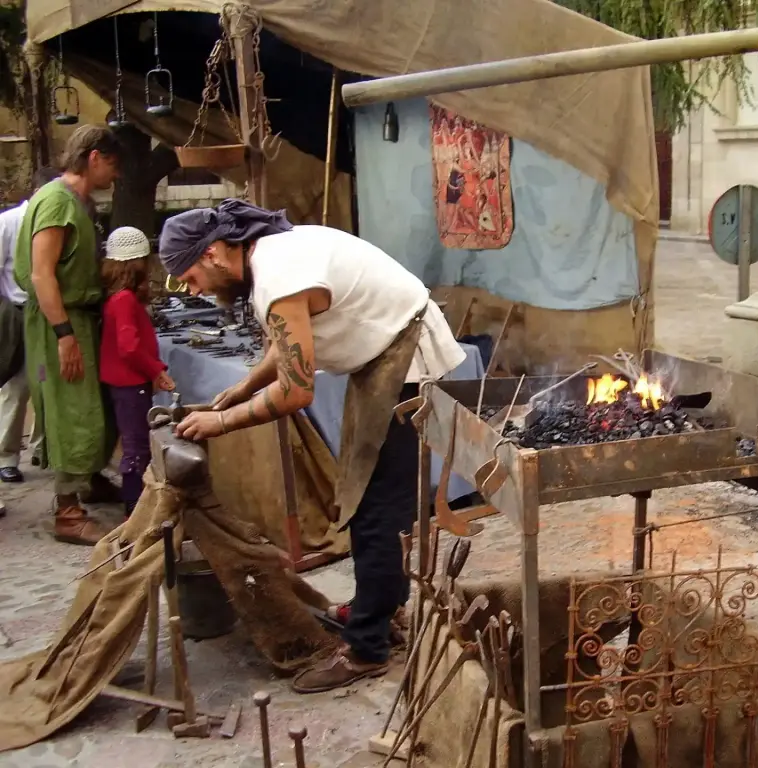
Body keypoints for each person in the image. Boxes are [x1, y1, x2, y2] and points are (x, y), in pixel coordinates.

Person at [158, 198, 466, 690]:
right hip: (384, 361)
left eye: (189, 277)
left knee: (376, 510)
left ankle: (368, 647)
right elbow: (284, 346)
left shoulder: (278, 276)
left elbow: (297, 391)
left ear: (214, 252)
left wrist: (225, 423)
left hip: (408, 364)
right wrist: (241, 389)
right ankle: (378, 607)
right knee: (368, 504)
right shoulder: (272, 261)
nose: (191, 290)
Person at [13, 124, 121, 545]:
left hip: (80, 315)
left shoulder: (78, 201)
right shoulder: (56, 202)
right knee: (72, 409)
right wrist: (64, 334)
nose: (115, 176)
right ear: (94, 158)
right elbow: (42, 274)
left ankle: (88, 480)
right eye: (112, 165)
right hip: (61, 319)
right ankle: (67, 510)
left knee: (93, 405)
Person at [99, 226, 176, 518]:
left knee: (136, 443)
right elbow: (128, 347)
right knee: (137, 447)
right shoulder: (125, 301)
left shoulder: (118, 298)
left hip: (126, 381)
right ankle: (135, 511)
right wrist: (156, 370)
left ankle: (136, 508)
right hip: (131, 383)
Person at [0, 167, 61, 485]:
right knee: (16, 386)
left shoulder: (55, 221)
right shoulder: (9, 222)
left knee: (45, 381)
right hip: (17, 311)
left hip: (47, 312)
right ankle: (7, 455)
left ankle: (43, 448)